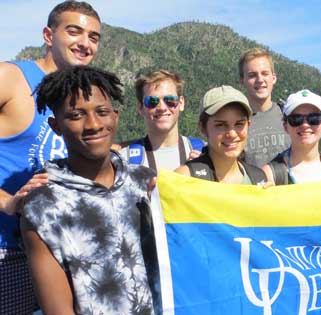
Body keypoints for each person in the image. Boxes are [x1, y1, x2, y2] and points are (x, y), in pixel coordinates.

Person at [20, 66, 158, 315]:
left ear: (115, 116)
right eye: (76, 115)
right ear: (56, 125)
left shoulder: (146, 185)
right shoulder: (42, 209)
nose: (93, 124)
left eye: (102, 112)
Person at [0, 1, 101, 313]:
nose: (85, 43)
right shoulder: (12, 78)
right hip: (6, 252)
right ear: (48, 35)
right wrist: (6, 201)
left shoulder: (79, 96)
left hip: (59, 254)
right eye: (74, 31)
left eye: (94, 37)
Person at [175, 85, 266, 184]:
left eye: (239, 124)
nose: (232, 133)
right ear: (203, 128)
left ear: (248, 125)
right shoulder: (185, 179)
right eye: (221, 125)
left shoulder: (259, 179)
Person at [119, 70, 204, 173]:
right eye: (152, 101)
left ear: (181, 103)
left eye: (170, 100)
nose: (162, 107)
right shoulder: (124, 162)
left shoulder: (206, 154)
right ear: (141, 108)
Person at [262, 89, 321, 185]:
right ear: (285, 126)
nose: (305, 125)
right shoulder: (270, 175)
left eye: (314, 118)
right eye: (296, 119)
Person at [238, 48, 290, 167]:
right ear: (242, 80)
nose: (260, 80)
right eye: (252, 75)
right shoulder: (236, 123)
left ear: (274, 78)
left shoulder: (291, 117)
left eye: (265, 73)